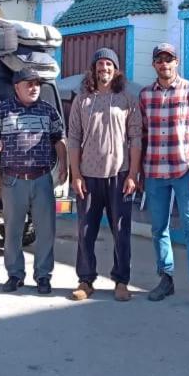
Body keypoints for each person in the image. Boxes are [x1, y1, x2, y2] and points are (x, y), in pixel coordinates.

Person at [139, 43, 189, 314]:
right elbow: (141, 136)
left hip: (185, 172)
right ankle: (166, 279)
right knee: (158, 229)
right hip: (155, 173)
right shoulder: (145, 95)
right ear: (154, 65)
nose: (164, 64)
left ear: (177, 62)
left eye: (169, 60)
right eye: (159, 60)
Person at [67, 48, 142, 302]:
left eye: (109, 64)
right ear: (93, 69)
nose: (104, 69)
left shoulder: (128, 100)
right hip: (88, 176)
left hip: (119, 175)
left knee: (121, 230)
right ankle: (85, 280)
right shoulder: (82, 100)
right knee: (85, 230)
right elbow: (73, 138)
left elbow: (136, 138)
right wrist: (75, 174)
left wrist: (133, 174)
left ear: (116, 69)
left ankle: (121, 281)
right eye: (100, 64)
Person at [0, 68, 67, 294]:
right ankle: (14, 274)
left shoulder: (48, 111)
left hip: (42, 178)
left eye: (37, 84)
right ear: (16, 87)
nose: (34, 88)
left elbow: (59, 140)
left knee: (46, 230)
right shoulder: (2, 110)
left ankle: (43, 275)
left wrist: (64, 166)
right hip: (13, 180)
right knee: (12, 230)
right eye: (28, 84)